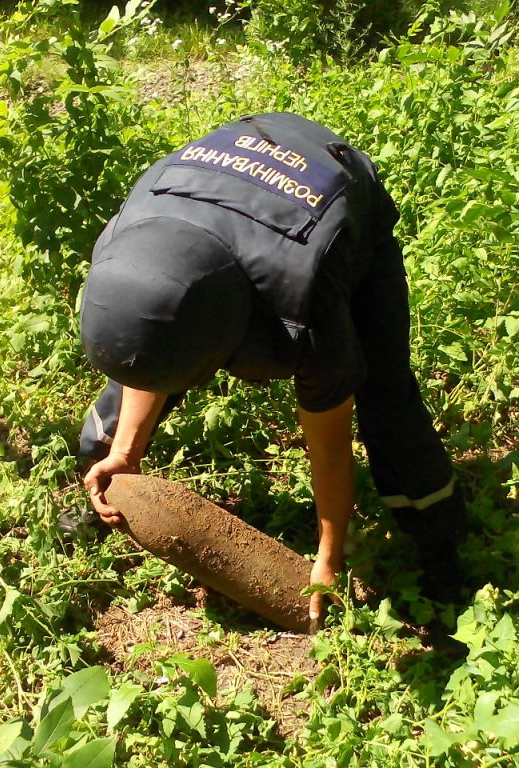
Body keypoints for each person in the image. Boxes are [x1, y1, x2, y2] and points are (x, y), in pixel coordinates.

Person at [77, 112, 467, 622]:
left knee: (386, 396)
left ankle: (440, 549)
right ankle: (97, 497)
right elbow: (149, 343)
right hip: (223, 204)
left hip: (337, 211)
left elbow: (329, 445)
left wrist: (328, 557)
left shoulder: (304, 297)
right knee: (139, 364)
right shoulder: (130, 239)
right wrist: (125, 452)